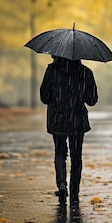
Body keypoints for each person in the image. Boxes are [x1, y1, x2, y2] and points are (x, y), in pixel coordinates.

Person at [40, 56, 98, 204]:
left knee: (60, 153)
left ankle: (61, 184)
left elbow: (44, 97)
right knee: (76, 156)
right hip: (77, 120)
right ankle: (74, 190)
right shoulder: (85, 72)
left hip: (57, 118)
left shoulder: (52, 71)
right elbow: (92, 100)